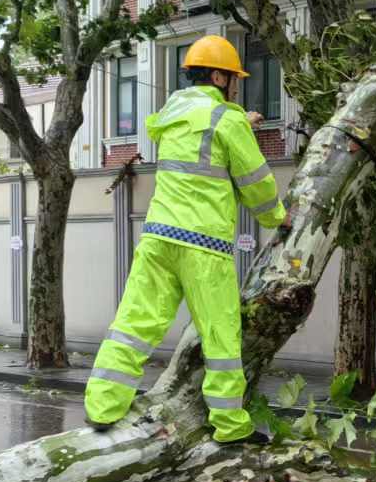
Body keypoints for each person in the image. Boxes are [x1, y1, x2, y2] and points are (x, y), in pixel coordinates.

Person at [84, 35, 287, 443]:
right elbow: (257, 184)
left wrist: (236, 121)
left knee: (134, 324)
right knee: (221, 337)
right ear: (218, 75)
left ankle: (102, 407)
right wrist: (278, 219)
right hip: (204, 245)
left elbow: (202, 137)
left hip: (159, 236)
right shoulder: (225, 120)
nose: (236, 86)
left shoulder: (173, 115)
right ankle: (229, 428)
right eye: (233, 79)